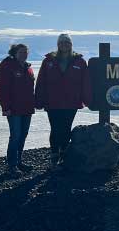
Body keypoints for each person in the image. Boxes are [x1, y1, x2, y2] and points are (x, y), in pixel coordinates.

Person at [34, 34, 91, 168]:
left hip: (71, 102)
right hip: (52, 102)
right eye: (62, 42)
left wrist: (87, 99)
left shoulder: (80, 62)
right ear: (58, 44)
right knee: (55, 128)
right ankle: (54, 156)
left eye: (67, 42)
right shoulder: (49, 61)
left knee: (66, 128)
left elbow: (86, 83)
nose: (64, 44)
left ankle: (64, 156)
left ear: (71, 44)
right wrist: (39, 100)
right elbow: (41, 81)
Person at [0, 44, 36, 177]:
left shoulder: (28, 68)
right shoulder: (8, 67)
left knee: (23, 135)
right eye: (21, 52)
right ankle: (12, 166)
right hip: (13, 109)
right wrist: (5, 107)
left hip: (27, 108)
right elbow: (0, 88)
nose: (24, 54)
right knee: (15, 136)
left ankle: (19, 162)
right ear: (14, 53)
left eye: (25, 52)